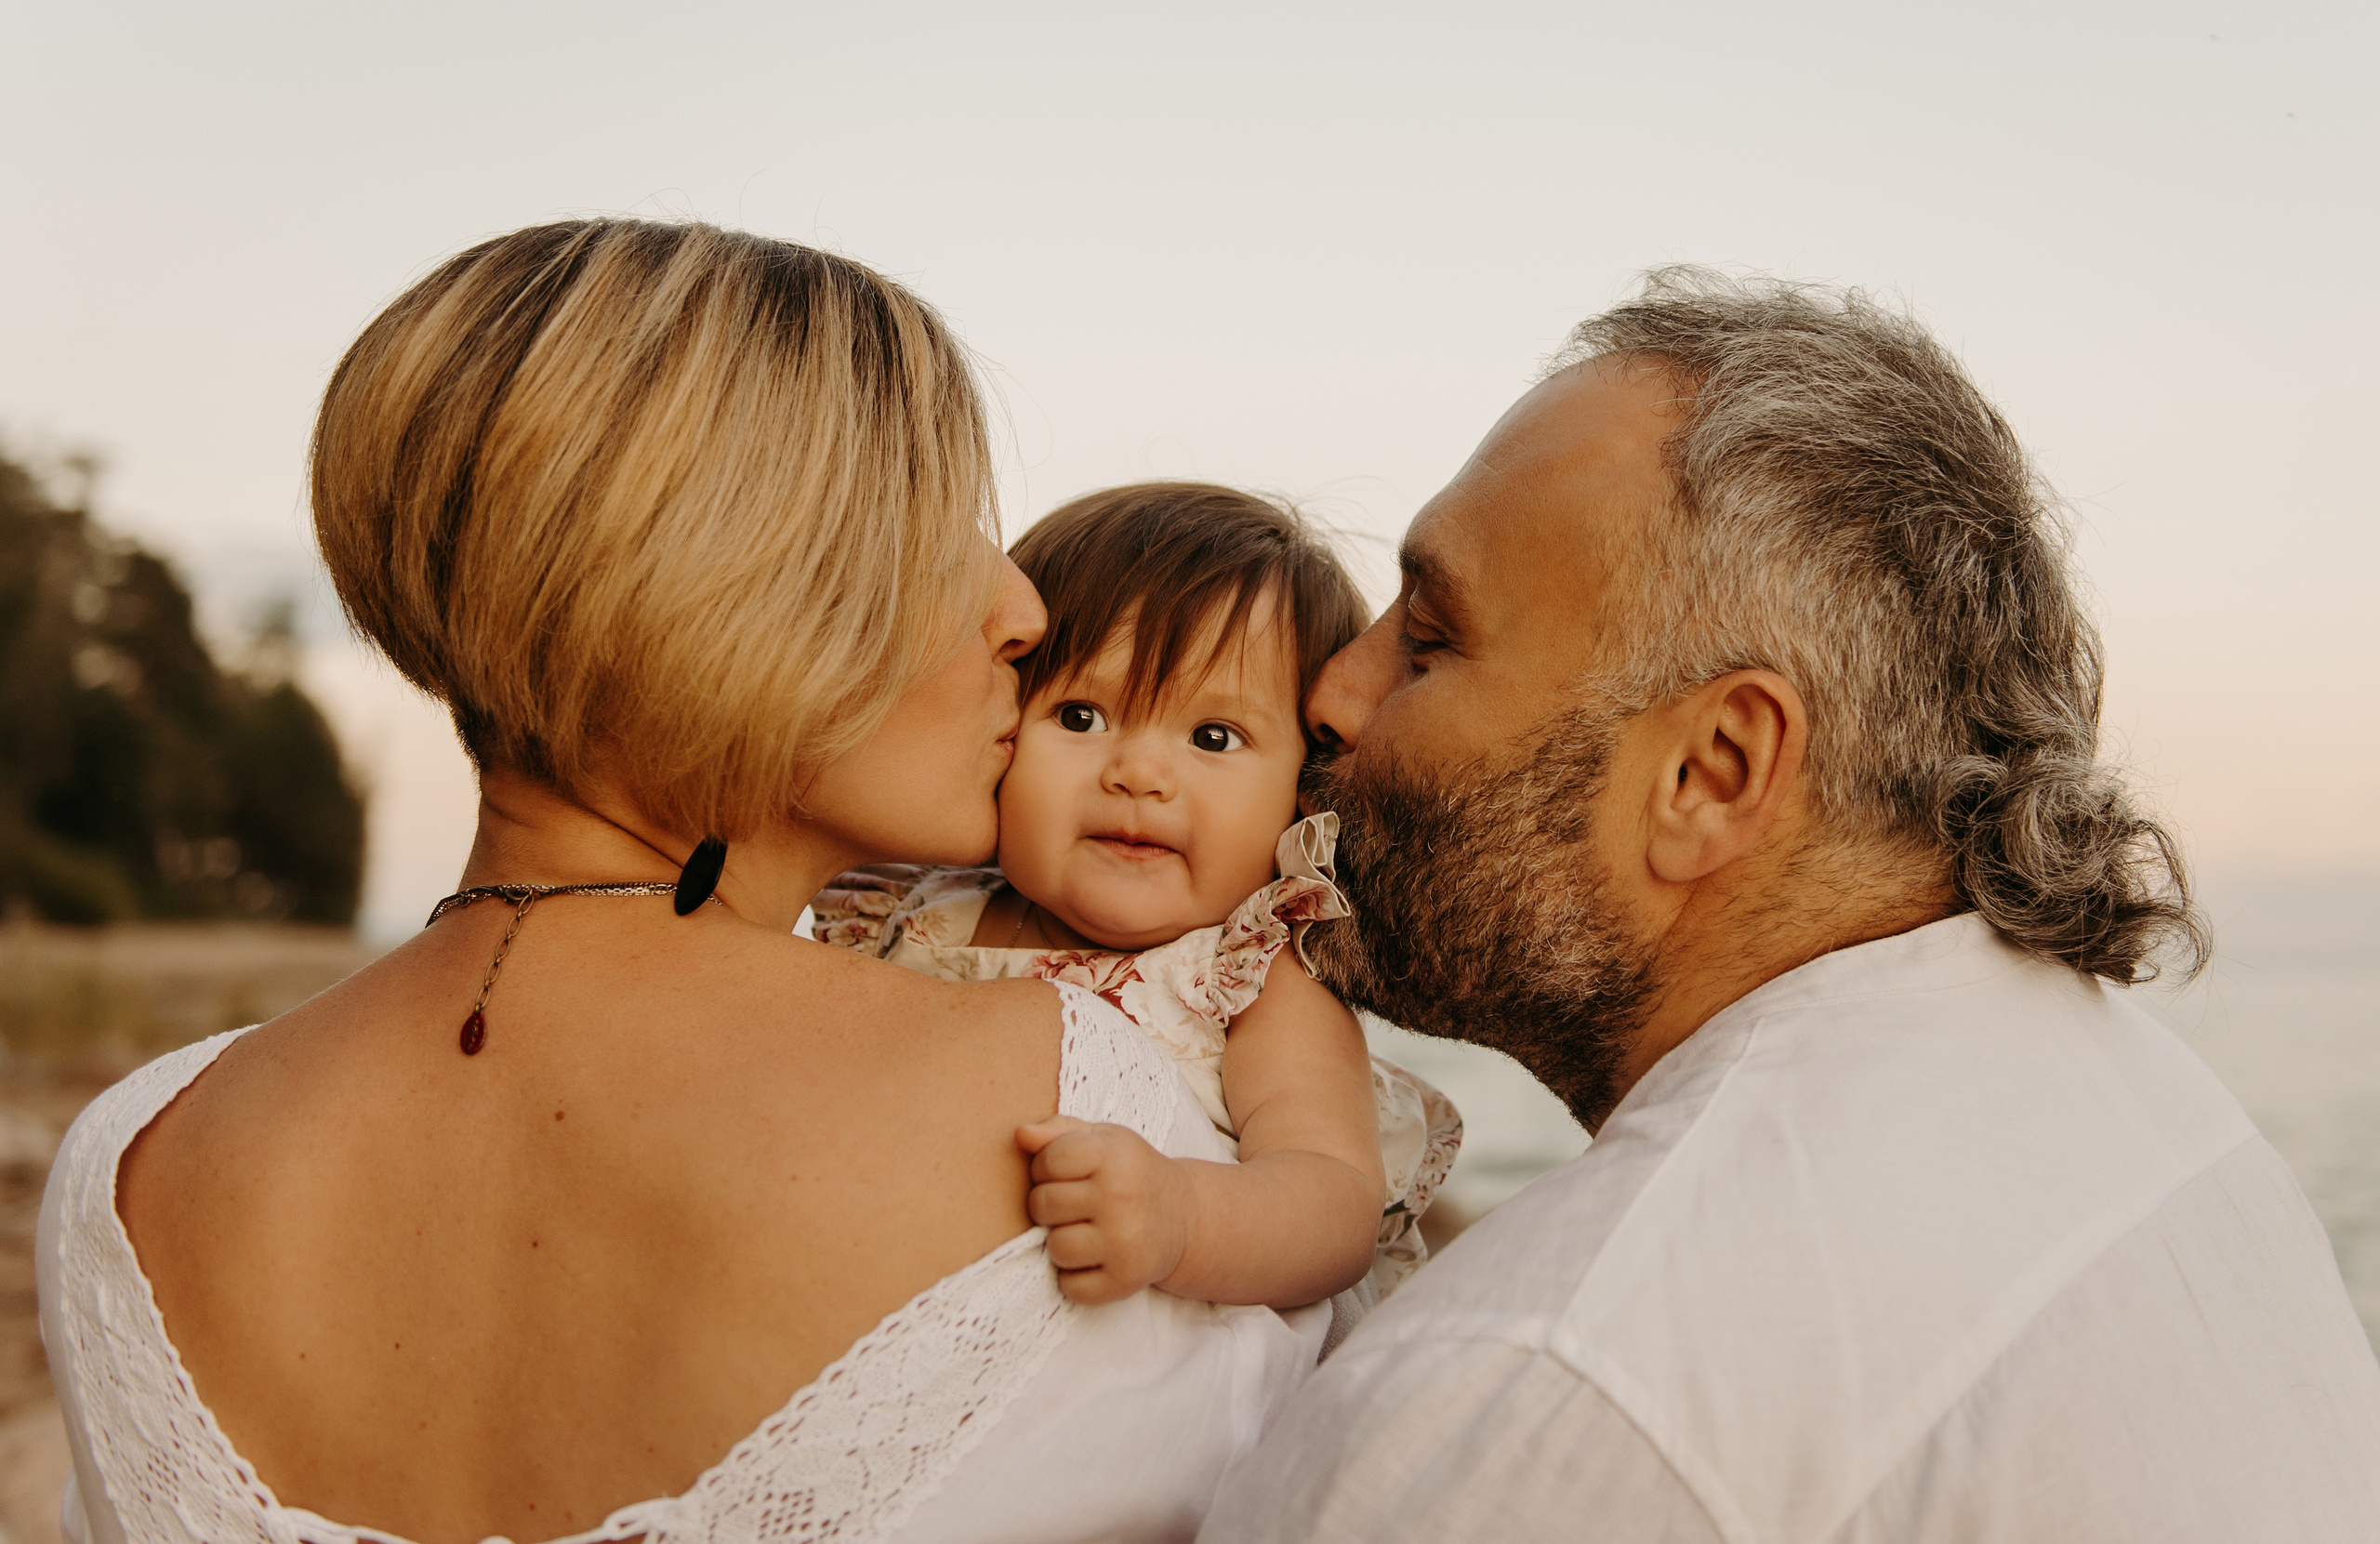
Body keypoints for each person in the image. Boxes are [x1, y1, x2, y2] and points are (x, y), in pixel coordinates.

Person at [38, 218, 1328, 1544]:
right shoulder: (1078, 1113)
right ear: (739, 583)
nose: (1019, 609)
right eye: (942, 523)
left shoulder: (134, 1160)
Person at [1202, 270, 2380, 1541]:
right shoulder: (2138, 1101)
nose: (1330, 690)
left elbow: (1610, 1375)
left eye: (1428, 642)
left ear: (1711, 773)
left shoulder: (1528, 1390)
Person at [812, 482, 1461, 1330]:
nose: (1139, 774)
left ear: (1302, 789)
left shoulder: (1252, 978)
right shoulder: (903, 911)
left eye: (1213, 737)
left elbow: (1333, 1204)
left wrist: (1182, 1214)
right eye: (1081, 716)